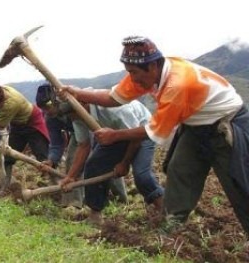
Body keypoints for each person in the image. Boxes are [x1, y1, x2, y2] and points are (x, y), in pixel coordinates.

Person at [60, 36, 249, 235]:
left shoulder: (177, 84)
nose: (132, 78)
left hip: (225, 124)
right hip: (195, 125)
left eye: (133, 73)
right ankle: (172, 226)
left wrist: (115, 136)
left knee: (238, 182)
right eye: (129, 72)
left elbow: (153, 131)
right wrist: (78, 93)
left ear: (152, 67)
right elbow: (113, 97)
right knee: (179, 170)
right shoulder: (146, 72)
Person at [36, 83, 129, 210]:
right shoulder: (51, 117)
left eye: (48, 106)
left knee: (106, 163)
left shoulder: (73, 105)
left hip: (97, 130)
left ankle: (121, 200)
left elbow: (88, 140)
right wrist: (51, 160)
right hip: (79, 134)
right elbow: (56, 143)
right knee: (72, 162)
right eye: (43, 108)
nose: (47, 111)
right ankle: (74, 203)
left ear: (56, 101)